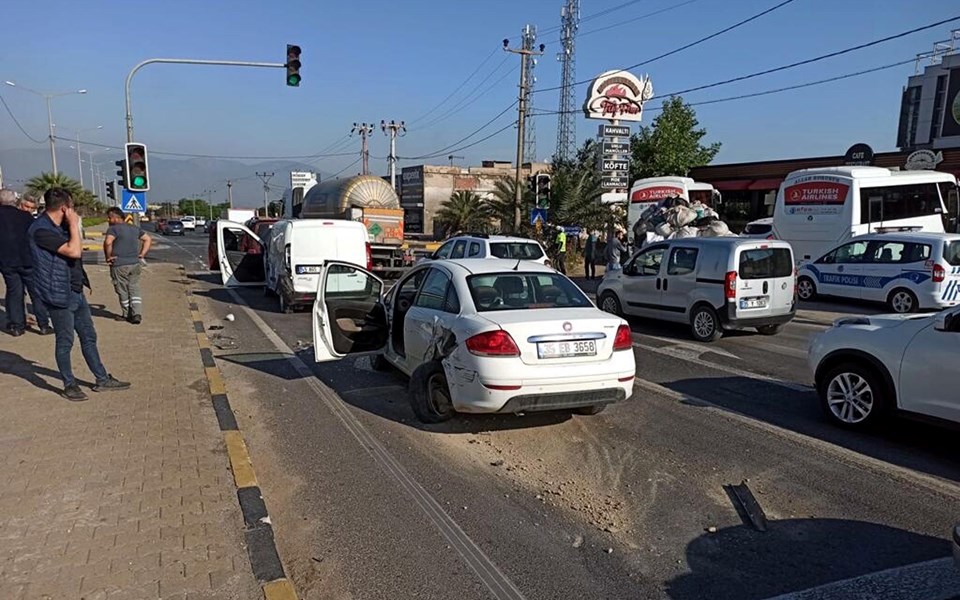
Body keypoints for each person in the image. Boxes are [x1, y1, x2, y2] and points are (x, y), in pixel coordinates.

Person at [28, 188, 129, 401]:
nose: (74, 212)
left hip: (75, 290)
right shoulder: (41, 230)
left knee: (89, 336)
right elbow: (74, 251)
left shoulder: (60, 226)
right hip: (57, 293)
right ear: (65, 208)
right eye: (72, 208)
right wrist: (74, 224)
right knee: (65, 341)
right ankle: (69, 384)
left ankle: (102, 379)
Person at [0, 189, 52, 336]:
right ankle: (43, 325)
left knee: (14, 292)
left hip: (7, 262)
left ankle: (17, 327)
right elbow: (35, 238)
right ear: (15, 201)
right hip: (28, 260)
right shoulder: (26, 217)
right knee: (36, 292)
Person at [104, 207, 152, 324]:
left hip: (119, 264)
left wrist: (109, 256)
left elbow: (108, 242)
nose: (108, 220)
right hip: (135, 263)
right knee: (134, 288)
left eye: (110, 217)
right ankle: (137, 313)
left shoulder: (113, 229)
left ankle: (126, 314)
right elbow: (147, 239)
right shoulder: (135, 228)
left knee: (122, 289)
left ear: (116, 217)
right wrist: (141, 254)